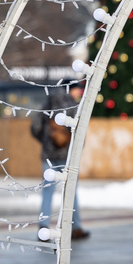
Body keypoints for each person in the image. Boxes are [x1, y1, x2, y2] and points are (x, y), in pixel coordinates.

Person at [31, 82, 90, 241]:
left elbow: (35, 127)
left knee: (47, 192)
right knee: (71, 193)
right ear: (71, 89)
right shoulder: (75, 107)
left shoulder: (48, 104)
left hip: (48, 156)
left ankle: (43, 227)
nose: (79, 92)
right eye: (77, 89)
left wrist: (46, 142)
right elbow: (80, 133)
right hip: (68, 157)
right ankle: (75, 228)